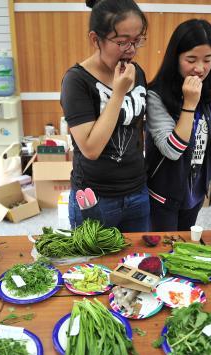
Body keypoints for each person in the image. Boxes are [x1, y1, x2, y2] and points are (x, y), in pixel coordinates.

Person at [60, 0, 150, 232]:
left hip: (137, 191)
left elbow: (137, 129)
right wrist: (118, 92)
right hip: (95, 197)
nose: (131, 49)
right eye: (121, 42)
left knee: (137, 263)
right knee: (94, 267)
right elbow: (90, 148)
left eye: (137, 40)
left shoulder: (136, 72)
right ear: (95, 39)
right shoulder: (76, 80)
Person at [146, 19, 211, 231]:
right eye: (191, 59)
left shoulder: (206, 90)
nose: (200, 68)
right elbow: (173, 150)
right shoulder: (157, 95)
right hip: (165, 194)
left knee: (184, 246)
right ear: (175, 57)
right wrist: (190, 103)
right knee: (165, 249)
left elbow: (197, 134)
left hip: (195, 189)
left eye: (208, 59)